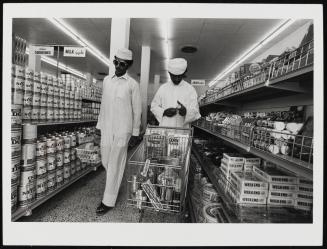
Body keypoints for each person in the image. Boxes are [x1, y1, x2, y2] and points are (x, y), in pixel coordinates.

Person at [95, 48, 142, 216]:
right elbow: (103, 105)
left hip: (123, 130)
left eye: (122, 64)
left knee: (115, 163)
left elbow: (137, 110)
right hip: (107, 126)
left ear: (128, 65)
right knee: (106, 161)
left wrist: (135, 133)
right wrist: (99, 125)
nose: (118, 66)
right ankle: (113, 184)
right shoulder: (107, 81)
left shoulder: (132, 85)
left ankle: (108, 201)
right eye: (116, 62)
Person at [151, 58, 201, 128]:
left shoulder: (190, 89)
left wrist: (186, 112)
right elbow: (154, 106)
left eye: (179, 76)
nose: (176, 79)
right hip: (165, 130)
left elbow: (196, 111)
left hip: (183, 132)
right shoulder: (163, 88)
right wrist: (164, 112)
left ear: (184, 73)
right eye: (173, 76)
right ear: (169, 73)